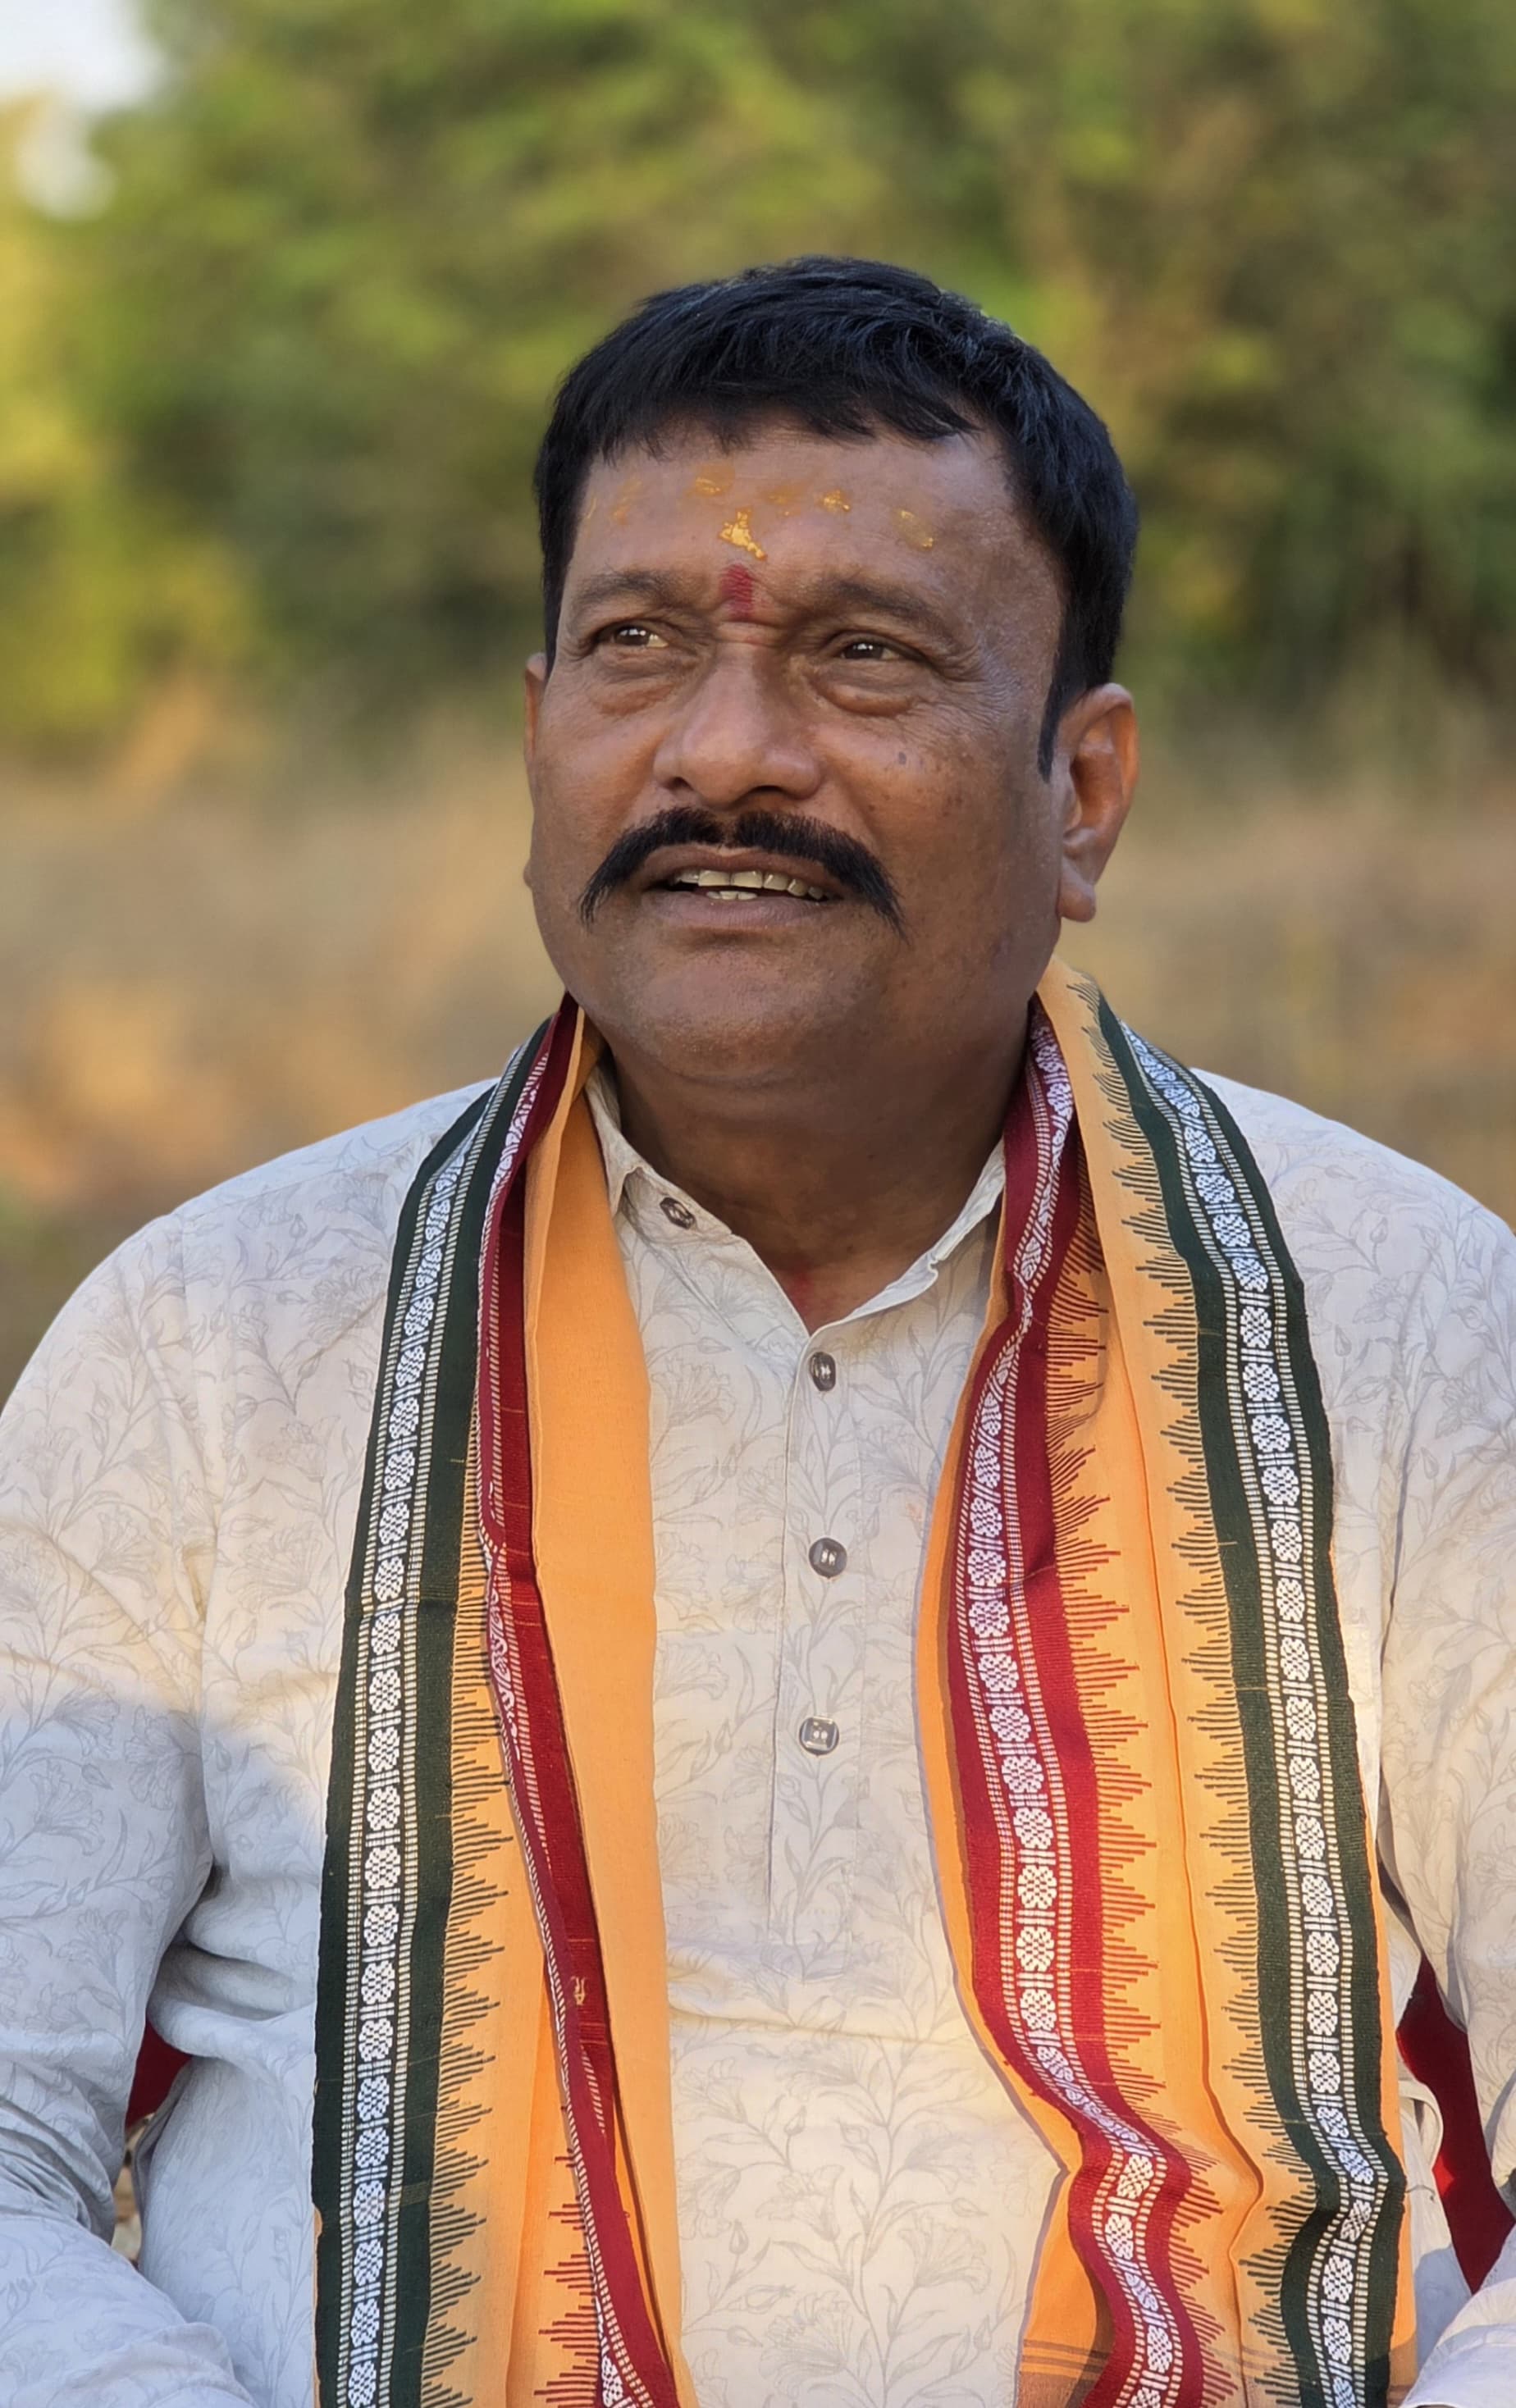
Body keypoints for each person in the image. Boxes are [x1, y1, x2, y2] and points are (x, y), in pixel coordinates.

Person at [0, 257, 1510, 2408]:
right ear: (538, 737)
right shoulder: (209, 1341)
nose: (720, 753)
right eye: (639, 647)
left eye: (864, 655)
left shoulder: (1409, 1323)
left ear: (1085, 792)